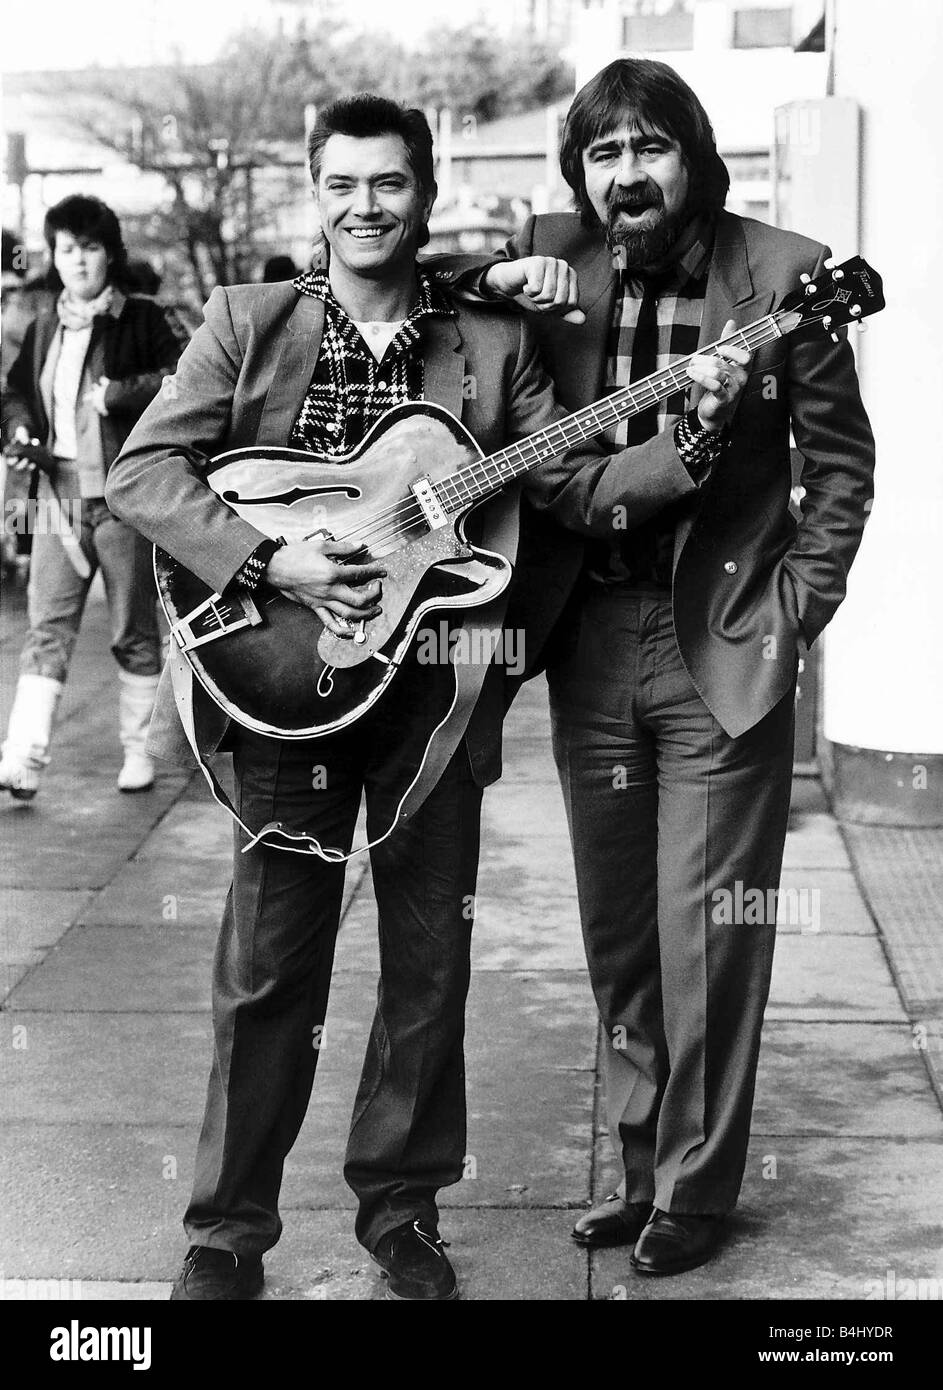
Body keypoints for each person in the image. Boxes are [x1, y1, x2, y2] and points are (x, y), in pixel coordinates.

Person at [105, 93, 724, 1301]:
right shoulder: (248, 318)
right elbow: (143, 472)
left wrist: (691, 440)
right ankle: (227, 1233)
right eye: (342, 184)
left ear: (425, 192)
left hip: (437, 695)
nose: (364, 206)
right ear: (314, 189)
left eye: (388, 184)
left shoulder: (489, 339)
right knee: (269, 965)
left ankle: (401, 1210)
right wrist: (269, 557)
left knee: (428, 963)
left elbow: (570, 480)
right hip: (277, 680)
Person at [446, 58, 875, 1275]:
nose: (626, 175)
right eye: (602, 153)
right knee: (620, 933)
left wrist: (797, 609)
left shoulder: (783, 277)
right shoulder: (552, 262)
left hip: (721, 644)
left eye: (649, 148)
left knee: (709, 937)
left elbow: (840, 469)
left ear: (694, 154)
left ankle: (697, 1184)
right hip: (586, 646)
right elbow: (429, 296)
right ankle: (641, 1170)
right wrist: (487, 275)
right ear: (577, 173)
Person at [0, 195, 181, 800]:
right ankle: (22, 757)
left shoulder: (145, 319)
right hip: (58, 495)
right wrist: (22, 429)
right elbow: (19, 393)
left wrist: (121, 394)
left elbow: (185, 380)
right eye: (67, 250)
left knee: (132, 627)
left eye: (91, 249)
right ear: (55, 256)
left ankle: (139, 749)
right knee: (46, 626)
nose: (78, 262)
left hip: (124, 496)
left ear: (111, 255)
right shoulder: (43, 324)